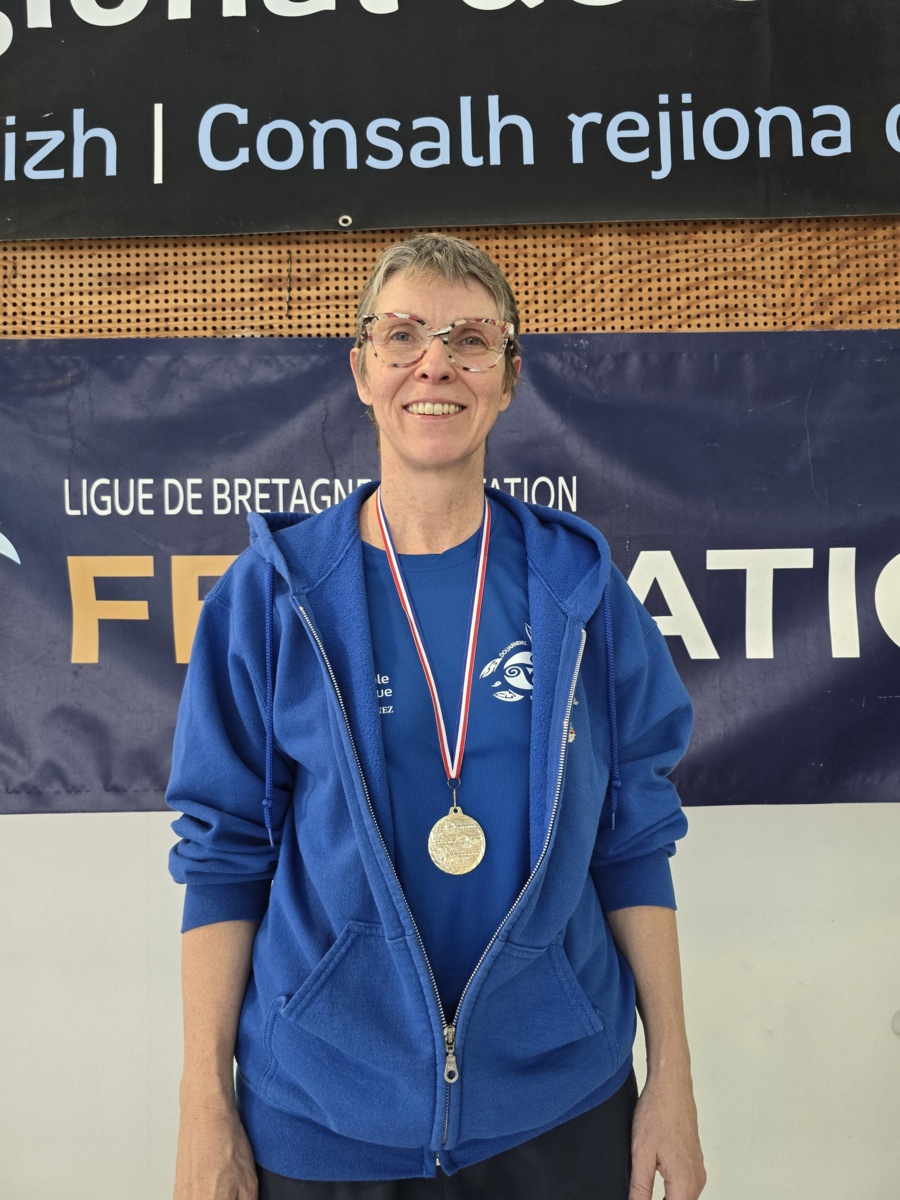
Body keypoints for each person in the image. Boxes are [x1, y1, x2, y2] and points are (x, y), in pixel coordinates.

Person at [167, 233, 706, 1200]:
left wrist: (673, 1076)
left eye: (470, 340)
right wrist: (204, 1106)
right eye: (403, 335)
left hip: (560, 1109)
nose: (435, 364)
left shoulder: (580, 593)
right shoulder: (272, 598)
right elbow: (222, 858)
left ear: (509, 378)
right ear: (362, 370)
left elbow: (633, 842)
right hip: (323, 1118)